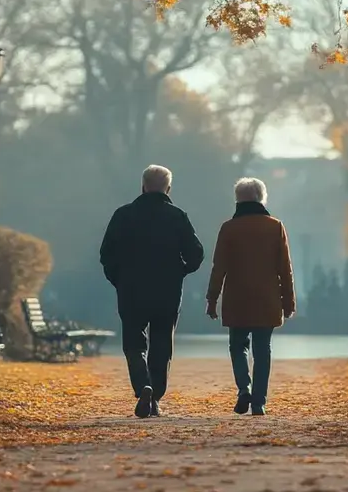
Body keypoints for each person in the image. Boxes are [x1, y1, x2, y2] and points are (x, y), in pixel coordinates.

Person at [99, 165, 204, 418]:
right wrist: (181, 271)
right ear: (168, 188)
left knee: (134, 344)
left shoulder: (123, 215)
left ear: (143, 186)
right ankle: (155, 396)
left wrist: (119, 279)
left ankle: (142, 385)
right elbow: (196, 254)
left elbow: (106, 255)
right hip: (166, 291)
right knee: (161, 345)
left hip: (131, 290)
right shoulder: (177, 216)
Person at [205, 177, 296, 416]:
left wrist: (212, 299)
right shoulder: (275, 227)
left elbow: (219, 267)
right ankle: (259, 402)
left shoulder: (228, 228)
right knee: (262, 349)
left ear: (238, 200)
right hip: (267, 298)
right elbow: (284, 268)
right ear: (261, 198)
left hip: (237, 298)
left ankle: (244, 387)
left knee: (237, 346)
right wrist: (289, 302)